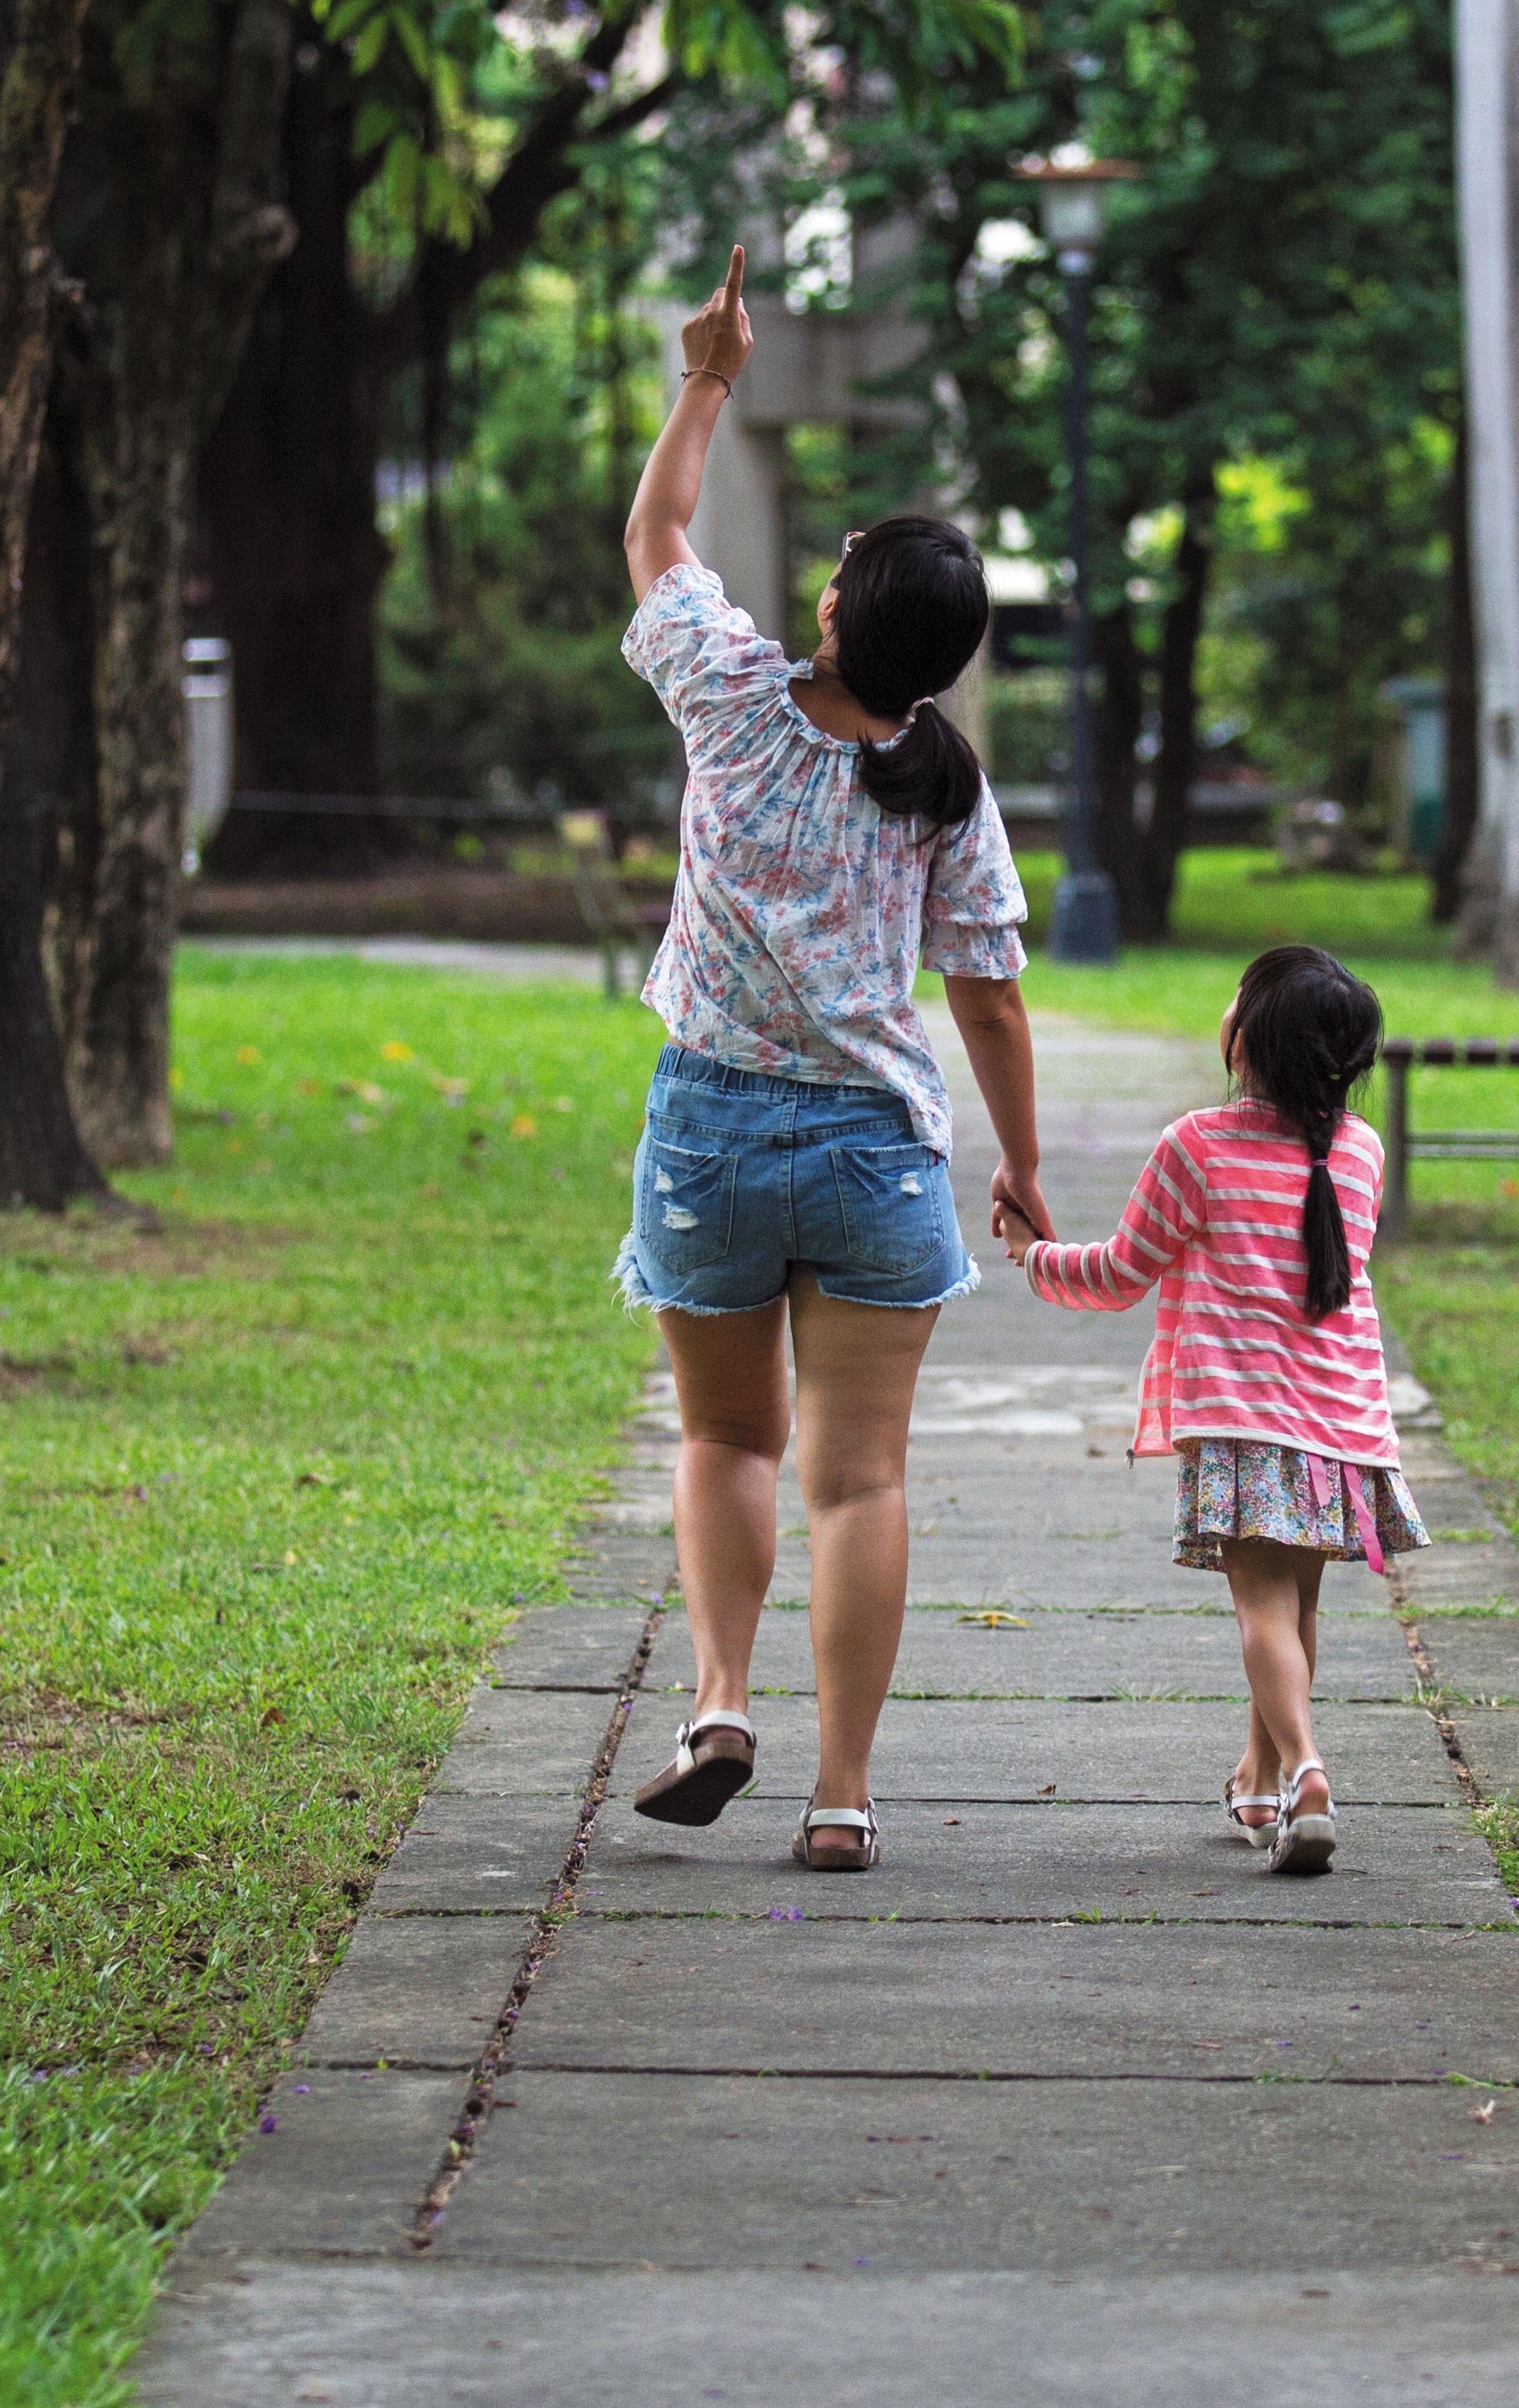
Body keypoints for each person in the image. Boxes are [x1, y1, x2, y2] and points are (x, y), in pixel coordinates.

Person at [613, 245, 1048, 1873]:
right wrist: (1015, 1157)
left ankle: (719, 1700)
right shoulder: (947, 785)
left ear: (834, 606)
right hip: (875, 1150)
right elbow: (991, 992)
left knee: (725, 1440)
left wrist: (708, 379)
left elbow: (659, 537)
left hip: (711, 1135)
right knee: (859, 1481)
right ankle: (843, 1796)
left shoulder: (729, 697)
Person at [1007, 944, 1416, 1877]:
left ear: (1247, 1041)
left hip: (1243, 1421)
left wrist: (1033, 1258)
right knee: (1297, 1603)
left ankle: (1309, 1773)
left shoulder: (1198, 1144)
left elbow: (1119, 1272)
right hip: (1340, 1427)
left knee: (1260, 1608)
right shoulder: (1360, 1152)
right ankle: (1261, 1782)